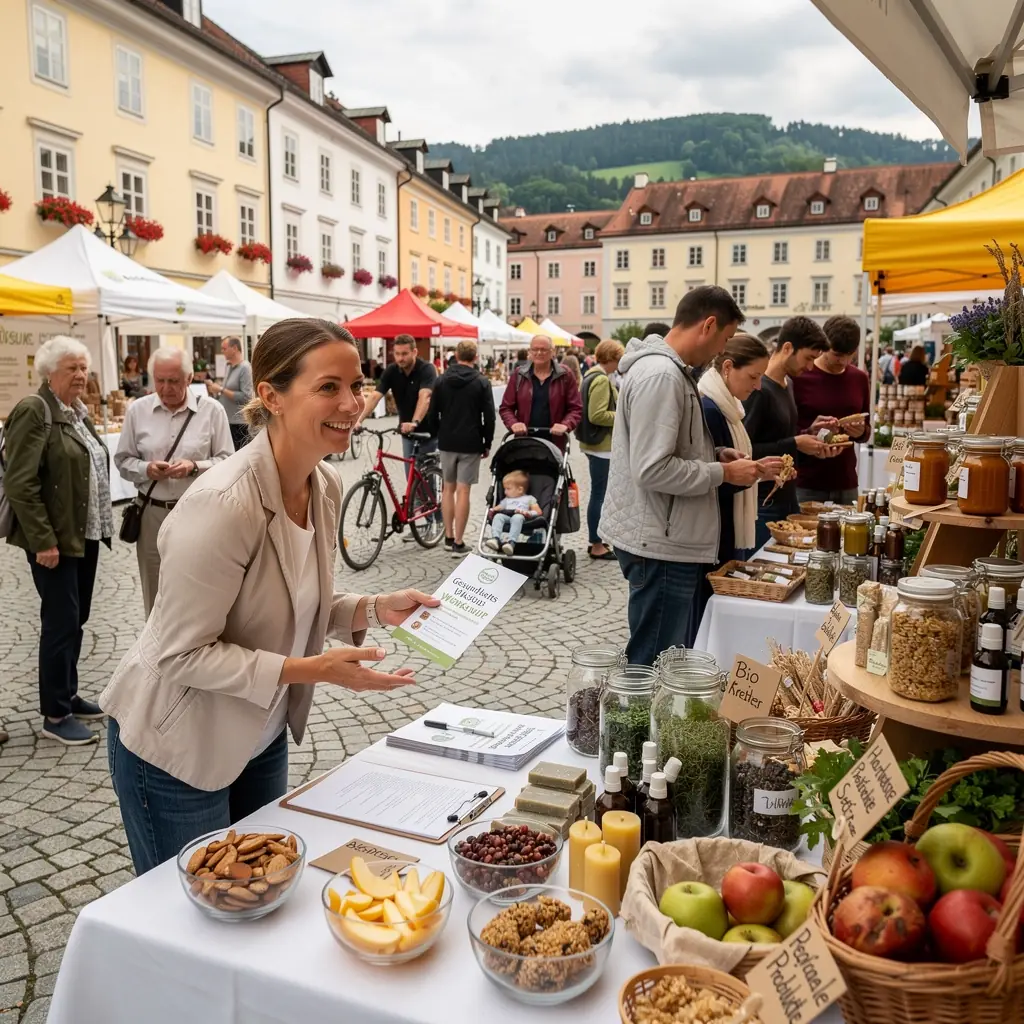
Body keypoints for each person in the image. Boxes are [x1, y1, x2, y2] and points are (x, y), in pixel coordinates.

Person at [101, 319, 440, 874]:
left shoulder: (323, 484)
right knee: (191, 919)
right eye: (328, 387)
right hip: (176, 748)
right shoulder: (223, 504)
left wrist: (375, 608)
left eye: (357, 385)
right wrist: (318, 670)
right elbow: (179, 653)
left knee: (263, 894)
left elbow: (291, 602)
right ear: (270, 397)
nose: (353, 403)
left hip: (258, 734)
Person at [599, 287, 772, 666]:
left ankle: (644, 724)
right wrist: (721, 471)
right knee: (653, 660)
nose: (720, 353)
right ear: (708, 325)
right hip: (661, 540)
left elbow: (663, 452)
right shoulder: (662, 375)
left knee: (659, 653)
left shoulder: (669, 371)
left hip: (663, 534)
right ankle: (637, 727)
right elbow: (652, 468)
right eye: (724, 340)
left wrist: (712, 454)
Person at [3, 336, 113, 746]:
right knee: (60, 623)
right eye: (73, 368)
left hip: (82, 536)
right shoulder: (35, 409)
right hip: (54, 540)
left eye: (84, 367)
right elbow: (20, 481)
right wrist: (42, 540)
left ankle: (67, 694)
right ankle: (55, 713)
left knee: (75, 619)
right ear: (50, 372)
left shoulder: (75, 412)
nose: (82, 375)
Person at [115, 347, 233, 614]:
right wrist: (146, 469)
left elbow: (228, 460)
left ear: (189, 379)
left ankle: (196, 651)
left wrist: (195, 466)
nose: (165, 388)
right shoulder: (138, 411)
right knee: (155, 596)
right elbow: (122, 461)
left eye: (173, 381)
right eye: (160, 380)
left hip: (199, 514)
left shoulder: (212, 411)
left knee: (200, 594)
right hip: (152, 513)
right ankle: (154, 654)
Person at [691, 334, 779, 641]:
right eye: (753, 377)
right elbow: (714, 482)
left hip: (722, 529)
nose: (757, 387)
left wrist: (756, 470)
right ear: (728, 367)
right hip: (715, 533)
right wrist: (750, 473)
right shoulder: (712, 409)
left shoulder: (729, 409)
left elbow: (726, 468)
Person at [743, 317, 836, 547]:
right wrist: (795, 442)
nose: (811, 367)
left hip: (786, 498)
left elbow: (781, 435)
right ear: (787, 348)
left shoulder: (788, 383)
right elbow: (744, 450)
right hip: (763, 503)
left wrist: (809, 434)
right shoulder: (758, 388)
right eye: (808, 358)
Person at [425, 339, 495, 557]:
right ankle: (458, 541)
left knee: (448, 488)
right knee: (464, 490)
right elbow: (489, 416)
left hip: (447, 440)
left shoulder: (442, 380)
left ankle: (447, 536)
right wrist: (487, 442)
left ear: (456, 355)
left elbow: (432, 411)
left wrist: (438, 433)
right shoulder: (481, 382)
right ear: (475, 357)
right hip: (471, 441)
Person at [791, 316, 871, 505]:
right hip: (807, 483)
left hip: (846, 481)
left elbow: (866, 430)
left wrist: (861, 432)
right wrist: (809, 434)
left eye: (849, 354)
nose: (842, 360)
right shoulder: (801, 376)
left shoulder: (859, 378)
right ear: (824, 346)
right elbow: (787, 431)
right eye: (836, 354)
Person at [577, 339, 624, 560]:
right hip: (601, 446)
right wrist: (624, 415)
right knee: (599, 494)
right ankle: (596, 544)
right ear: (613, 358)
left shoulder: (591, 375)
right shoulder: (602, 380)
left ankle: (598, 540)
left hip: (596, 445)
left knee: (599, 493)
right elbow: (597, 415)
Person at [358, 334, 437, 461]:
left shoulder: (426, 369)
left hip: (428, 431)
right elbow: (375, 396)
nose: (400, 358)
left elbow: (425, 396)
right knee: (410, 477)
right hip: (406, 432)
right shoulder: (392, 371)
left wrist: (414, 422)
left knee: (426, 477)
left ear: (414, 352)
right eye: (397, 354)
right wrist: (359, 420)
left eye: (405, 354)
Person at [498, 334, 582, 450]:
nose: (539, 353)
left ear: (552, 352)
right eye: (535, 349)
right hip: (523, 441)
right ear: (530, 352)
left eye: (544, 349)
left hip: (554, 443)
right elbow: (506, 407)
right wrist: (514, 423)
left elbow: (576, 408)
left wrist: (565, 425)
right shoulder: (519, 375)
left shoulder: (565, 375)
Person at [206, 336, 253, 451]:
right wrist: (215, 391)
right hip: (229, 421)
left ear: (234, 348)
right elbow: (226, 393)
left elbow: (247, 397)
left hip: (239, 423)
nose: (222, 352)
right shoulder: (230, 367)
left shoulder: (245, 368)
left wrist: (221, 389)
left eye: (224, 348)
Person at [486, 470, 542, 555]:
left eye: (508, 489)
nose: (505, 492)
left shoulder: (529, 499)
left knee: (517, 517)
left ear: (520, 489)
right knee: (498, 516)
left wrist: (529, 513)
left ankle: (511, 542)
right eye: (504, 489)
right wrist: (492, 510)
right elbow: (499, 507)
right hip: (507, 516)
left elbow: (538, 511)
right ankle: (496, 538)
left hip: (523, 518)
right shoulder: (507, 500)